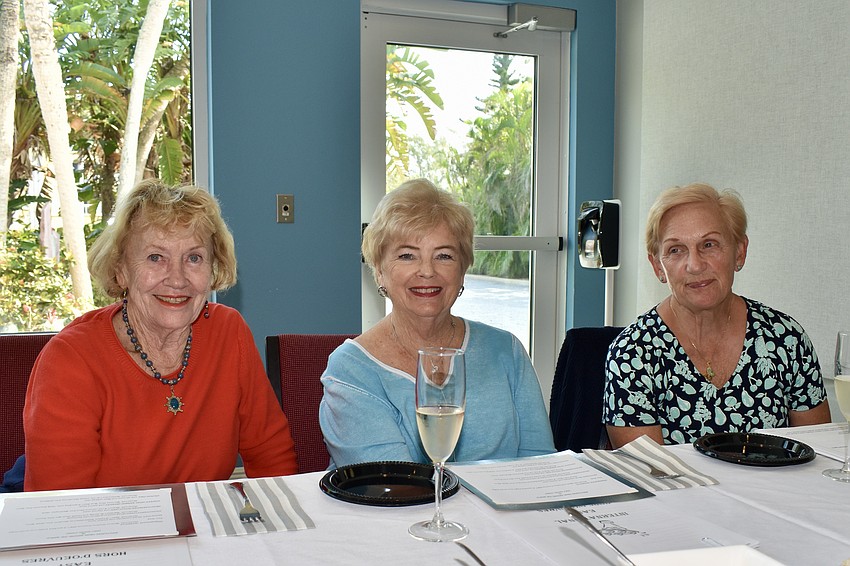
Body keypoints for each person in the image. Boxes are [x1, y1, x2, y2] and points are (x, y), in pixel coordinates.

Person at [24, 180, 297, 490]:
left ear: (213, 269)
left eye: (194, 258)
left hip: (201, 531)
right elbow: (63, 510)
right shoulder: (71, 360)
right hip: (105, 533)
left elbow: (271, 455)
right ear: (121, 269)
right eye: (156, 257)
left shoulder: (228, 332)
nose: (177, 279)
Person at [319, 179, 555, 468]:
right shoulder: (350, 371)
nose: (427, 271)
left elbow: (541, 464)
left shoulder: (506, 350)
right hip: (398, 512)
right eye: (407, 255)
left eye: (444, 256)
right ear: (379, 271)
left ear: (463, 269)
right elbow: (395, 484)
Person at [603, 183, 830, 448]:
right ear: (658, 266)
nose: (695, 265)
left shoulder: (786, 340)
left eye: (709, 245)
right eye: (676, 250)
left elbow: (819, 452)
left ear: (739, 252)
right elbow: (650, 475)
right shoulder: (633, 354)